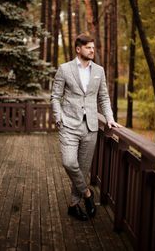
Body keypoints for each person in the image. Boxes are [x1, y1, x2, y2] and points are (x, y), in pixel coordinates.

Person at [51, 33, 120, 221]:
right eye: (88, 47)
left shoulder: (99, 70)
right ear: (78, 49)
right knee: (69, 163)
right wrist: (59, 119)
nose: (92, 50)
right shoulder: (64, 69)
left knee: (81, 168)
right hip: (69, 125)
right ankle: (88, 195)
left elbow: (103, 97)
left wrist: (109, 118)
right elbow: (55, 96)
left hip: (91, 127)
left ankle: (73, 205)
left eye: (93, 47)